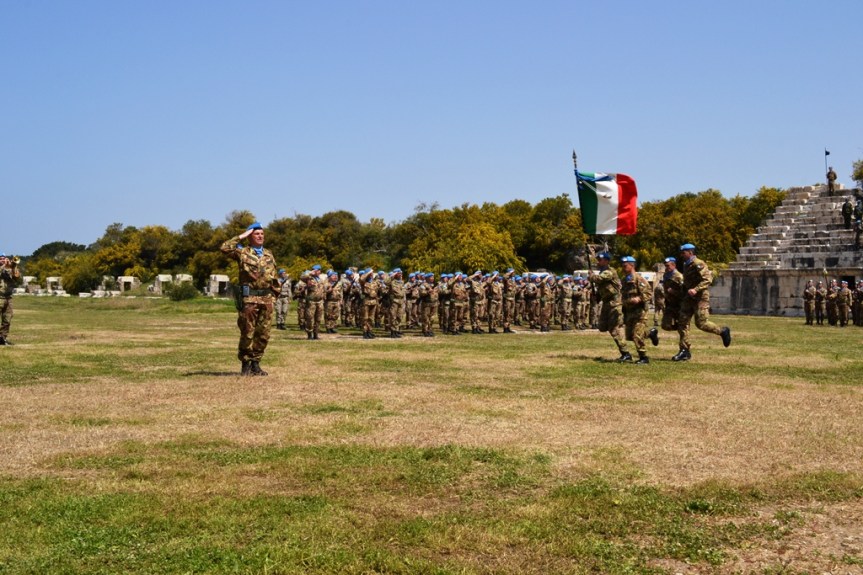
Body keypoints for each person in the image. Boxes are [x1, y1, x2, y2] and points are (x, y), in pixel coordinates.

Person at [220, 222, 280, 376]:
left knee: (263, 334)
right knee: (247, 332)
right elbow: (225, 248)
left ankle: (256, 364)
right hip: (250, 298)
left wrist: (274, 296)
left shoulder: (268, 254)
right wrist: (242, 235)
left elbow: (274, 277)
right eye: (256, 233)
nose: (260, 236)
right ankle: (245, 364)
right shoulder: (242, 252)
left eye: (262, 233)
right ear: (250, 236)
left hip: (266, 298)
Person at [674, 243, 731, 362]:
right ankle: (684, 350)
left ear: (690, 252)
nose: (682, 255)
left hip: (700, 297)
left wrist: (696, 289)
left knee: (701, 323)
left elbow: (707, 279)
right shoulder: (686, 264)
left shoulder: (698, 263)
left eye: (683, 253)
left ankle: (722, 331)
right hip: (688, 298)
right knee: (682, 322)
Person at [588, 252, 632, 362]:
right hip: (607, 303)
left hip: (615, 303)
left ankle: (625, 353)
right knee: (602, 326)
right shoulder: (602, 272)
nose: (598, 262)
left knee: (615, 328)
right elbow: (603, 287)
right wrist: (598, 296)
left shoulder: (609, 271)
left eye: (600, 260)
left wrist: (591, 276)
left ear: (607, 261)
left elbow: (599, 279)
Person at [620, 256, 653, 364]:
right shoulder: (624, 280)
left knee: (637, 335)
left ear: (632, 265)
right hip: (629, 312)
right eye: (622, 266)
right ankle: (650, 333)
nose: (623, 267)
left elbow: (649, 293)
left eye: (625, 265)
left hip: (640, 312)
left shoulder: (639, 279)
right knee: (630, 336)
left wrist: (639, 298)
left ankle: (643, 357)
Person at [0, 253, 22, 346]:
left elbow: (16, 277)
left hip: (8, 297)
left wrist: (13, 266)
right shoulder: (2, 268)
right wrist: (4, 266)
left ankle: (2, 338)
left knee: (8, 318)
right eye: (1, 258)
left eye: (4, 258)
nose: (3, 260)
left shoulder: (9, 268)